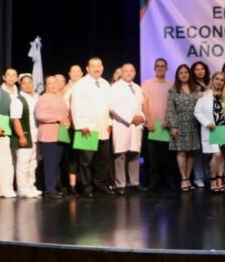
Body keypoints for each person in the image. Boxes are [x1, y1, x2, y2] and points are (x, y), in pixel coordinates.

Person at [71, 57, 114, 197]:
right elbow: (76, 107)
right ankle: (86, 187)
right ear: (87, 68)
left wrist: (110, 123)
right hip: (87, 128)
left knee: (103, 159)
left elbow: (109, 106)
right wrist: (81, 125)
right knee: (86, 161)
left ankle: (100, 184)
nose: (97, 68)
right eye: (94, 66)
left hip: (103, 128)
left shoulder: (105, 83)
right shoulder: (80, 84)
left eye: (99, 66)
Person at [194, 72, 225, 193]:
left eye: (222, 80)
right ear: (212, 80)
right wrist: (207, 123)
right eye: (217, 79)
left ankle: (220, 179)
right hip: (212, 130)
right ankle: (213, 179)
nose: (219, 82)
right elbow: (197, 112)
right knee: (217, 154)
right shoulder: (204, 95)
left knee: (223, 155)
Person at [109, 63, 146, 195]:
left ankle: (134, 182)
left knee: (135, 154)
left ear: (135, 73)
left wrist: (142, 118)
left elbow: (142, 105)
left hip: (136, 126)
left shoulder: (137, 87)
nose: (129, 73)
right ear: (122, 73)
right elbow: (113, 107)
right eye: (126, 71)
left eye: (132, 71)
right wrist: (131, 118)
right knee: (121, 155)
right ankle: (121, 184)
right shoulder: (115, 87)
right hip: (122, 124)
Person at [142, 58, 176, 191]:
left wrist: (168, 120)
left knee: (168, 156)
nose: (160, 68)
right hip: (152, 126)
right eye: (158, 66)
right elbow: (144, 103)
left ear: (167, 69)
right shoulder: (147, 83)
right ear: (154, 68)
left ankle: (169, 180)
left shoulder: (172, 84)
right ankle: (153, 181)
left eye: (163, 66)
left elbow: (173, 104)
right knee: (152, 156)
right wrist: (148, 121)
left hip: (166, 125)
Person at [166, 64, 201, 192]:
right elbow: (170, 110)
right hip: (179, 124)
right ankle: (184, 179)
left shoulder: (197, 89)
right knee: (181, 152)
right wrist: (173, 126)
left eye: (186, 72)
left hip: (193, 123)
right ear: (177, 75)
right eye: (181, 72)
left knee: (191, 152)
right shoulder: (173, 89)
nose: (184, 74)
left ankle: (188, 179)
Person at [34, 75, 70, 199]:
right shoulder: (43, 98)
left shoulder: (60, 98)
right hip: (48, 134)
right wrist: (57, 118)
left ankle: (53, 187)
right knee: (49, 164)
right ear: (46, 86)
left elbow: (65, 113)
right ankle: (49, 190)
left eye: (55, 82)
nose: (53, 85)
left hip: (60, 133)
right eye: (50, 83)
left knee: (56, 163)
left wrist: (67, 121)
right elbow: (40, 115)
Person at [10, 74, 42, 198]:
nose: (28, 85)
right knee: (23, 163)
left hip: (36, 135)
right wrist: (21, 136)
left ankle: (31, 186)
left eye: (30, 82)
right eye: (24, 83)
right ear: (20, 85)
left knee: (33, 163)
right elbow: (15, 119)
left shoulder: (37, 97)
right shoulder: (18, 100)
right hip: (25, 136)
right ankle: (22, 189)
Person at [0, 67, 18, 198]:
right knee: (3, 159)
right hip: (2, 126)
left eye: (14, 75)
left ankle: (9, 187)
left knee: (12, 159)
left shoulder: (17, 91)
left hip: (14, 127)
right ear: (4, 77)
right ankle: (3, 188)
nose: (11, 77)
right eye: (9, 75)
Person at [61, 64, 83, 194]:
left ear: (82, 73)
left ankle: (83, 183)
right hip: (71, 127)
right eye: (72, 71)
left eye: (77, 71)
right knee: (72, 157)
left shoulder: (86, 87)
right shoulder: (66, 88)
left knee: (85, 156)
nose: (75, 73)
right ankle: (72, 185)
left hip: (86, 126)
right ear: (69, 74)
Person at [190, 61, 210, 188]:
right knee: (198, 151)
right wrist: (195, 96)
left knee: (209, 149)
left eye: (202, 69)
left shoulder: (210, 83)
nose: (200, 71)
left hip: (209, 121)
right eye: (197, 69)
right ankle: (198, 177)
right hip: (195, 121)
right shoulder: (191, 85)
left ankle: (209, 175)